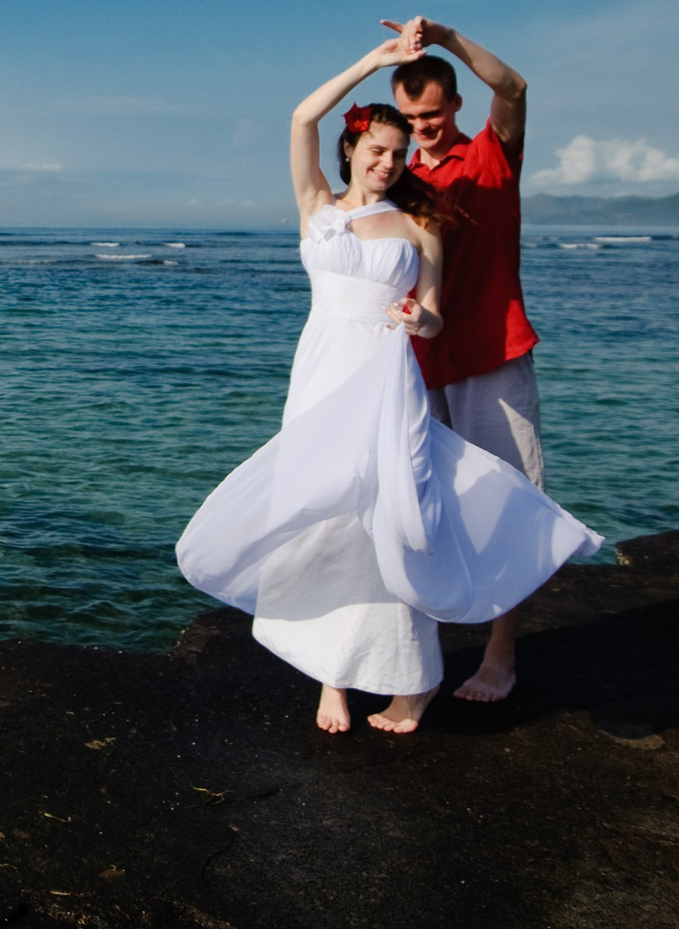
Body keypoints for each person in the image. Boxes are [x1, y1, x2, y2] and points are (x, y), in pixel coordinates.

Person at [176, 38, 601, 734]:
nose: (390, 160)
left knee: (402, 515)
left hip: (395, 375)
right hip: (322, 376)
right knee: (324, 517)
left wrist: (418, 317)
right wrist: (370, 65)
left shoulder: (428, 213)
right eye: (379, 147)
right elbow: (299, 121)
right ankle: (332, 676)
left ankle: (443, 670)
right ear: (353, 148)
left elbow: (431, 316)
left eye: (399, 151)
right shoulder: (318, 204)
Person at [382, 17, 541, 703]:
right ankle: (423, 661)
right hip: (420, 365)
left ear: (455, 105)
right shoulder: (401, 181)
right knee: (426, 513)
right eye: (411, 118)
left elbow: (515, 84)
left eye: (432, 114)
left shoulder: (492, 155)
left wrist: (445, 39)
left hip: (493, 354)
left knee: (511, 505)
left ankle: (500, 657)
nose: (422, 128)